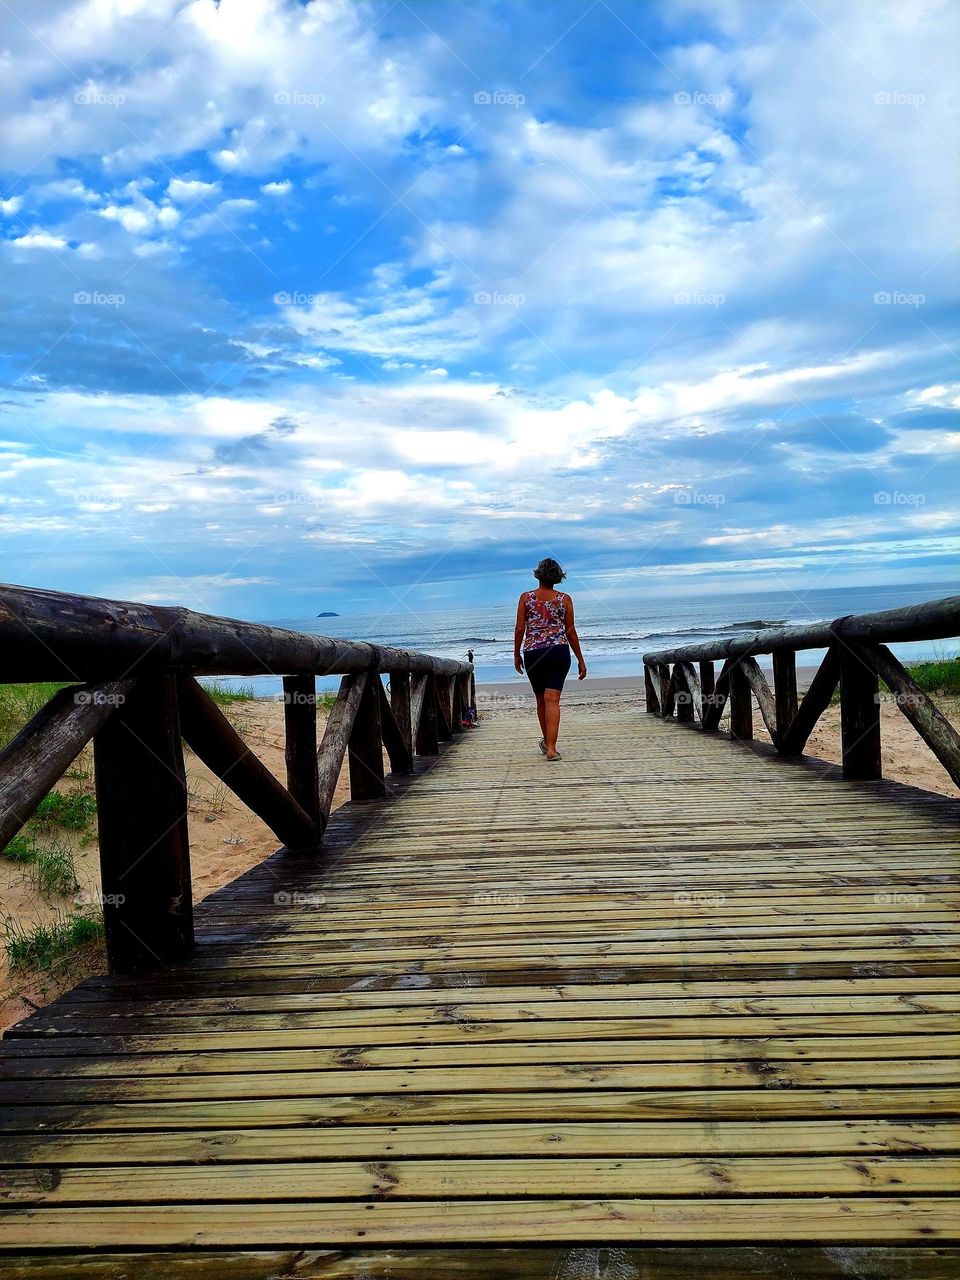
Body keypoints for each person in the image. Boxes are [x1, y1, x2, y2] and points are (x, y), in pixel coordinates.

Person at [513, 558, 586, 760]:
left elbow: (520, 628)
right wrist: (580, 659)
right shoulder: (565, 599)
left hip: (534, 653)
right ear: (558, 577)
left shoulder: (526, 598)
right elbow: (570, 631)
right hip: (558, 652)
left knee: (541, 699)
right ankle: (551, 748)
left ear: (538, 575)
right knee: (553, 700)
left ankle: (547, 741)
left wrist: (516, 654)